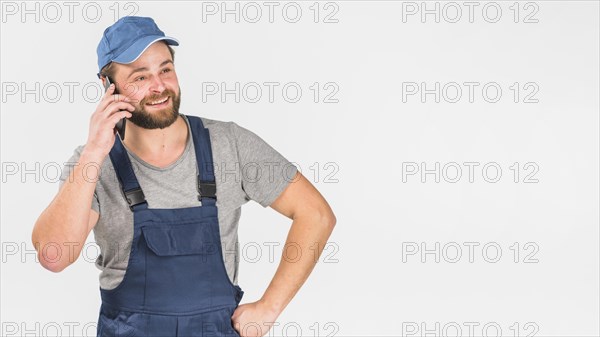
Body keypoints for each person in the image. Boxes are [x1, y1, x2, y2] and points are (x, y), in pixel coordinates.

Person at [31, 16, 336, 337]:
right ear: (108, 87)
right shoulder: (92, 165)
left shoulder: (228, 144)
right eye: (140, 77)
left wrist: (269, 307)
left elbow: (315, 215)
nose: (159, 86)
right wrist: (94, 152)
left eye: (165, 69)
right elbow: (54, 257)